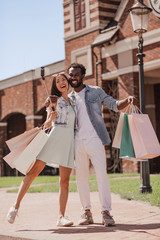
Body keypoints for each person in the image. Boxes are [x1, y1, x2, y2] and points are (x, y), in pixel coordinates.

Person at [68, 63, 135, 227]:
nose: (73, 78)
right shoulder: (68, 98)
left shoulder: (96, 91)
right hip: (77, 140)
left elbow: (113, 104)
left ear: (83, 76)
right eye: (71, 75)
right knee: (81, 177)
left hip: (95, 139)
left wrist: (126, 101)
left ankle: (106, 212)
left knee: (101, 176)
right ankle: (86, 211)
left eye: (76, 74)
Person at [7, 72, 76, 227]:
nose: (61, 82)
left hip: (68, 143)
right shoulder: (53, 101)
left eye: (63, 79)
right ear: (55, 85)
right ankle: (15, 207)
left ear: (68, 82)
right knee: (33, 173)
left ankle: (61, 217)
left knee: (64, 182)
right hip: (53, 139)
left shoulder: (74, 101)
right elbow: (47, 125)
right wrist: (50, 118)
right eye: (58, 81)